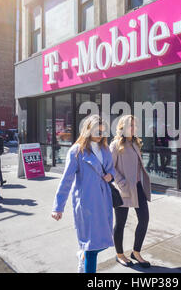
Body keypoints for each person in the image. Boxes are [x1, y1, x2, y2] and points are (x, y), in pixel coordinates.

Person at [51, 115, 115, 273]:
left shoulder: (105, 149)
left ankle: (82, 255)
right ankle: (86, 258)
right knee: (92, 247)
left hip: (104, 199)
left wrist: (111, 176)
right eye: (97, 130)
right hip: (86, 203)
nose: (100, 134)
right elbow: (66, 180)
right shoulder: (76, 151)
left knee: (104, 241)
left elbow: (112, 169)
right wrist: (58, 207)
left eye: (102, 131)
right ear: (88, 129)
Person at [110, 115, 152, 268]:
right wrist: (121, 183)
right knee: (120, 223)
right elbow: (110, 167)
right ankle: (120, 255)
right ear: (123, 127)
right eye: (131, 125)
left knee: (144, 219)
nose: (134, 128)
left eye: (135, 125)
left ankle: (136, 252)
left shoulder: (135, 143)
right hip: (123, 190)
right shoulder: (115, 145)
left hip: (138, 187)